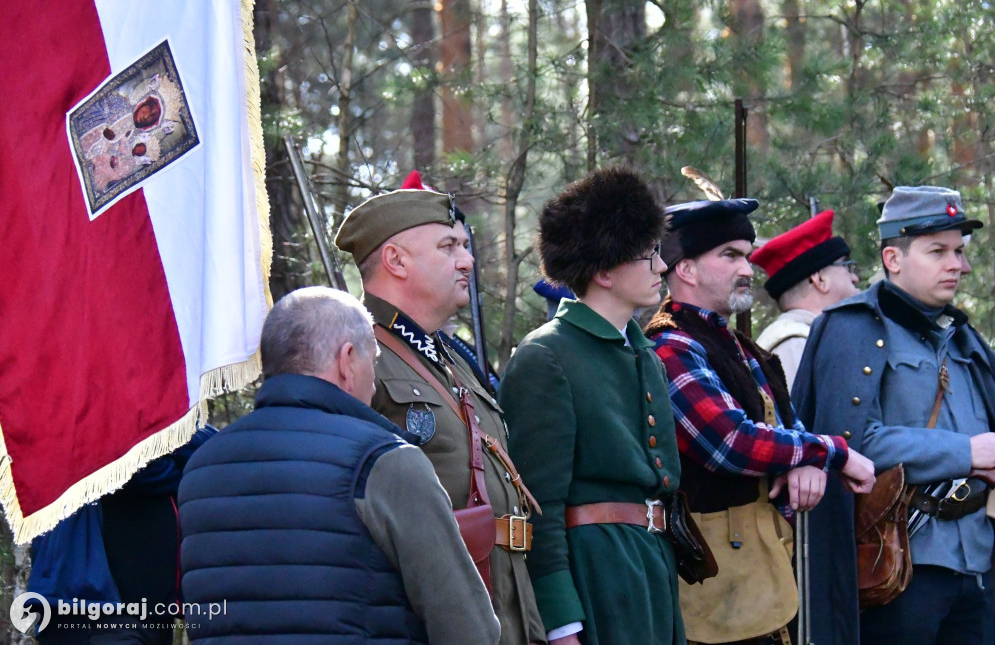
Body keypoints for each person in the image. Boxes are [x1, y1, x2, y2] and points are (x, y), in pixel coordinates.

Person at [177, 286, 499, 644]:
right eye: (372, 362)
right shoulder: (386, 461)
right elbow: (468, 629)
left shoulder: (201, 468)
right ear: (347, 360)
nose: (374, 384)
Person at [793, 185, 995, 645]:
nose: (957, 264)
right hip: (896, 566)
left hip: (976, 562)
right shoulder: (849, 330)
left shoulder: (963, 338)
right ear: (893, 259)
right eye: (938, 251)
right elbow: (849, 443)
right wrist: (963, 451)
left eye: (959, 251)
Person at [644, 198, 876, 645]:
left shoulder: (741, 348)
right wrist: (831, 452)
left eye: (747, 255)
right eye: (730, 255)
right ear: (686, 269)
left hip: (761, 575)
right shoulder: (672, 346)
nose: (747, 268)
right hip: (712, 585)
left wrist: (803, 460)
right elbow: (730, 441)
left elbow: (783, 432)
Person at [334, 172, 545, 645]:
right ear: (396, 260)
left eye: (465, 246)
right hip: (425, 619)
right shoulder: (357, 358)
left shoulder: (451, 361)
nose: (468, 259)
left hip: (505, 608)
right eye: (449, 246)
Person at [498, 166, 686, 644]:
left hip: (651, 563)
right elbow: (537, 504)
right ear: (604, 270)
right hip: (594, 570)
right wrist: (561, 621)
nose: (661, 268)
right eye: (647, 257)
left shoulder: (644, 353)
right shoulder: (547, 356)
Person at [27, 426, 214, 644]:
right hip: (92, 612)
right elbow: (127, 463)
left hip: (148, 613)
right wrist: (178, 461)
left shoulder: (167, 422)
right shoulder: (82, 421)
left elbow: (211, 447)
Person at [749, 210, 860, 385]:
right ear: (819, 279)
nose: (855, 278)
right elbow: (800, 413)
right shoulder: (795, 343)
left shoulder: (808, 337)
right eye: (847, 267)